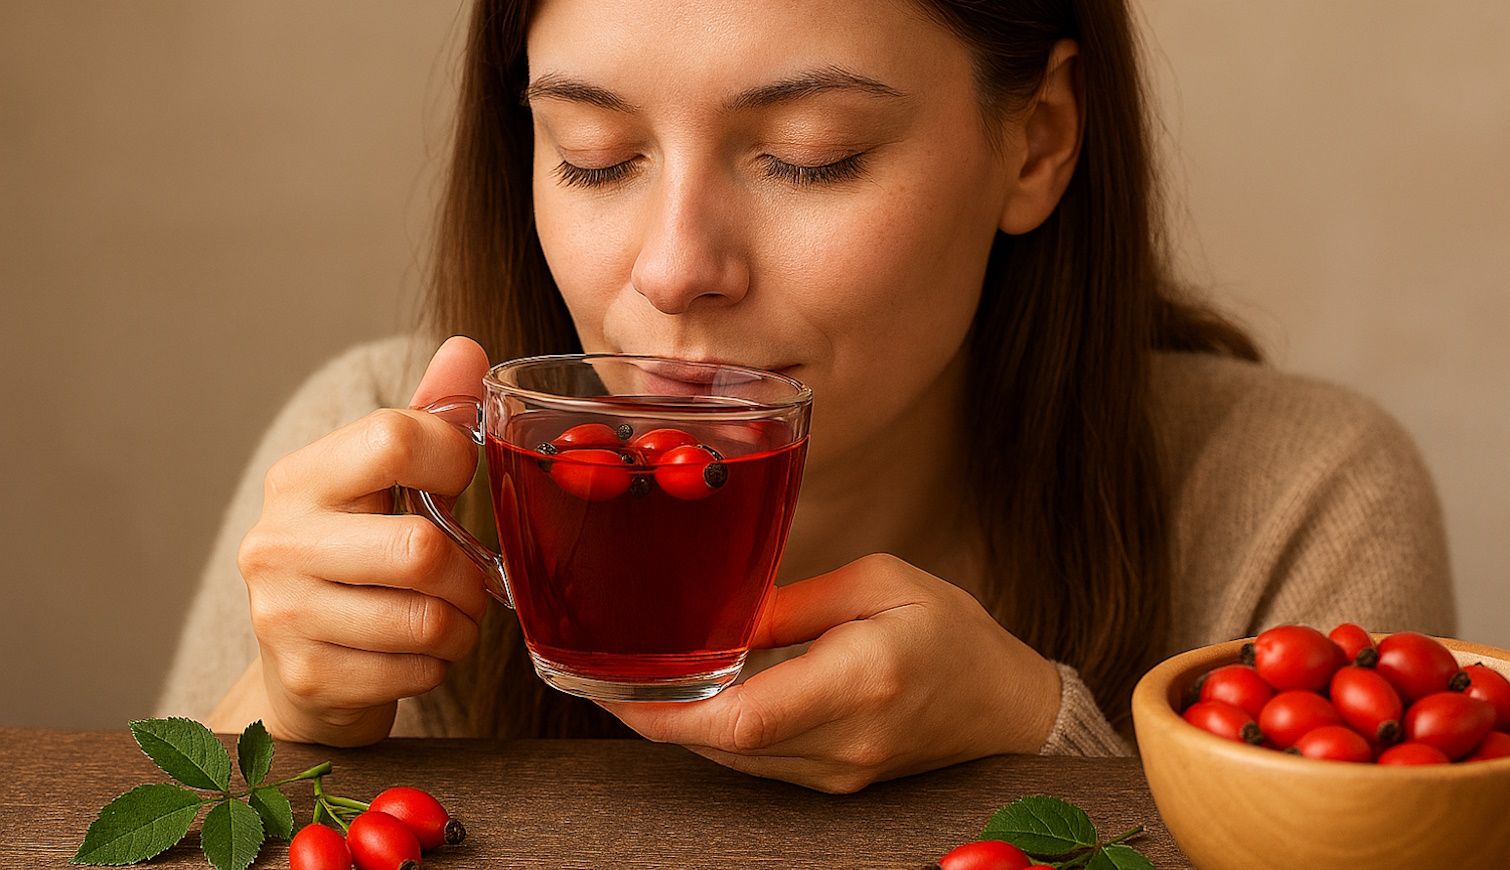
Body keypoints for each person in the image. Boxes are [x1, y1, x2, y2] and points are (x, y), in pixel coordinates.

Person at [156, 0, 1454, 793]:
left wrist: (1035, 739)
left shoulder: (1290, 500)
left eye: (806, 158)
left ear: (1037, 139)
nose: (671, 269)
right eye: (593, 158)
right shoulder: (389, 466)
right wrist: (288, 715)